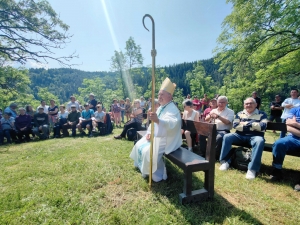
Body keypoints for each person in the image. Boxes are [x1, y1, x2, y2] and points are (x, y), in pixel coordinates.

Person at [130, 77, 182, 182]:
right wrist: (149, 132)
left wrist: (158, 120)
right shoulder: (162, 107)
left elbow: (172, 124)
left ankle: (156, 174)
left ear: (170, 96)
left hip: (167, 139)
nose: (159, 97)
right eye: (159, 94)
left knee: (148, 151)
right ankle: (143, 168)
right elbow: (153, 124)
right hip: (157, 136)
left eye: (162, 94)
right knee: (140, 144)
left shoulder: (172, 108)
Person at [219, 97, 268, 180]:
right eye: (246, 104)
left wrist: (246, 124)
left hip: (255, 136)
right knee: (227, 137)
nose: (248, 105)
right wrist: (254, 125)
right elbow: (235, 125)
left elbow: (263, 126)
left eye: (251, 103)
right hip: (239, 135)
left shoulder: (262, 114)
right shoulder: (240, 113)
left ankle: (252, 169)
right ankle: (225, 162)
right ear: (244, 105)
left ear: (256, 104)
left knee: (260, 141)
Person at [269, 107, 300, 184]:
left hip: (295, 134)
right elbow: (288, 125)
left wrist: (295, 124)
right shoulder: (295, 110)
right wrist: (293, 124)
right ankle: (277, 170)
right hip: (293, 138)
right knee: (279, 144)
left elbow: (292, 124)